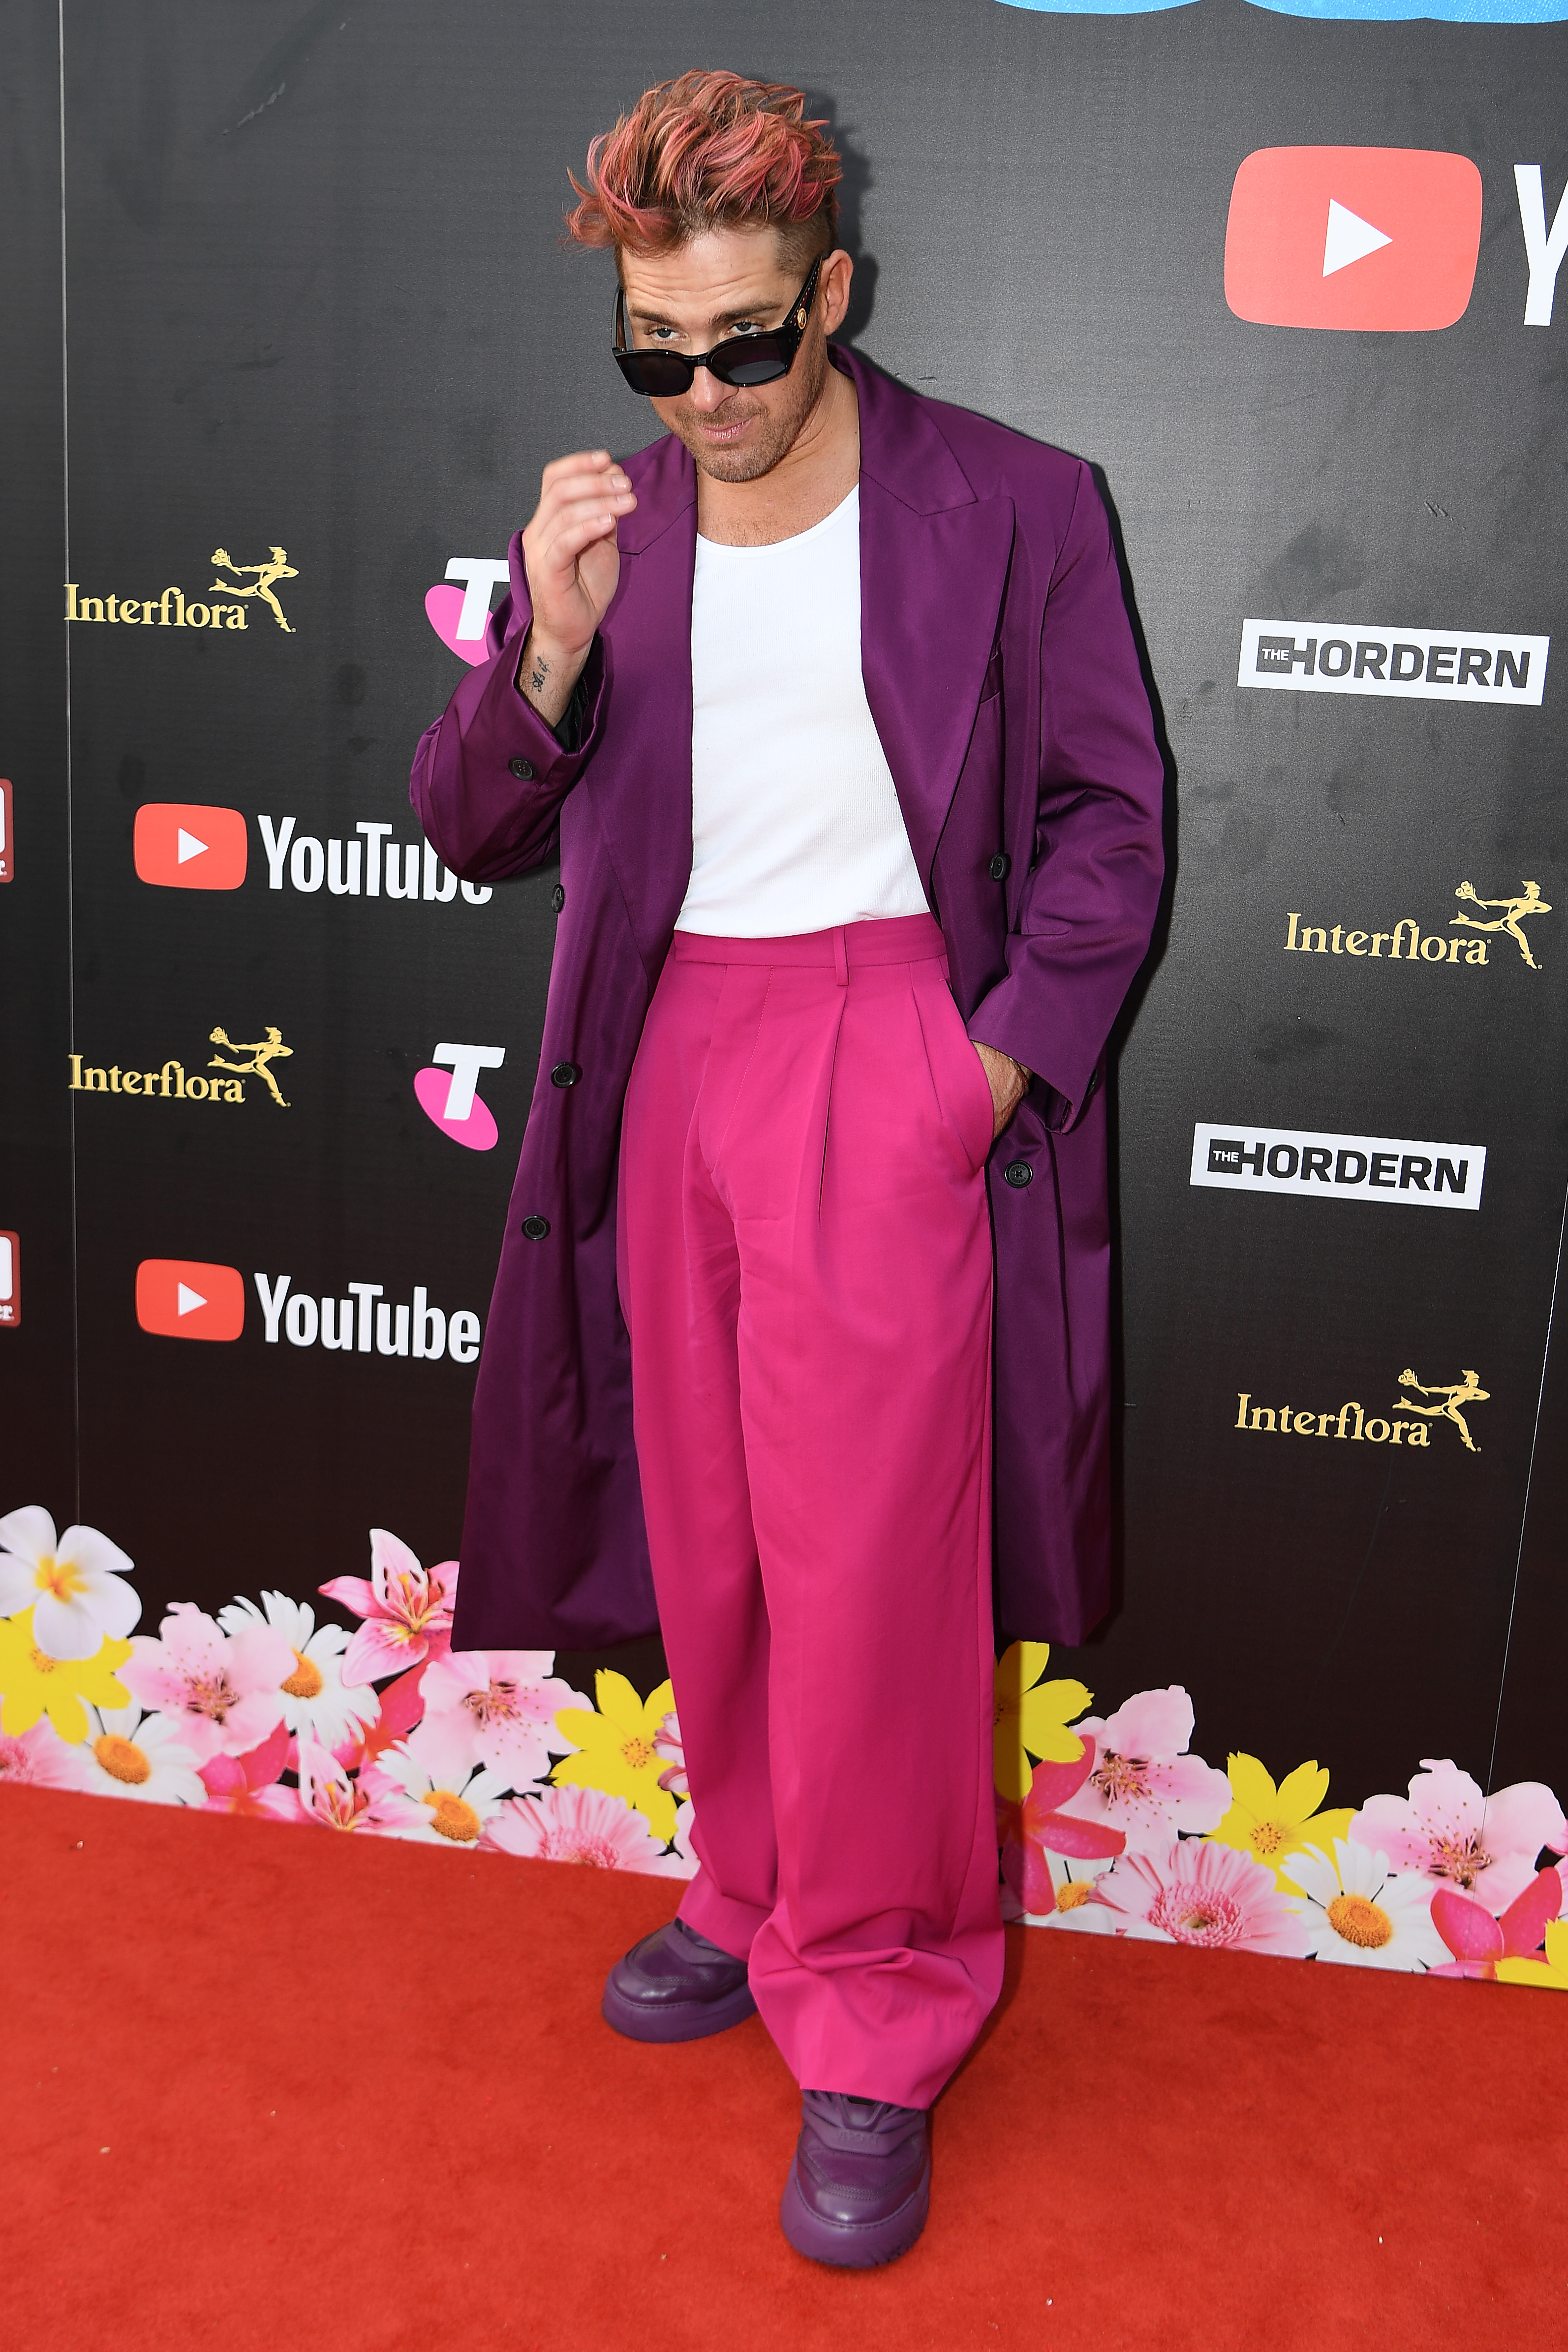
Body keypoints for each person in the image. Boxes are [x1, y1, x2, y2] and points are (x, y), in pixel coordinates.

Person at [411, 70, 1164, 2267]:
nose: (707, 391)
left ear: (830, 289)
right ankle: (749, 1890)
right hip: (665, 1065)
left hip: (888, 1056)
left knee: (872, 1570)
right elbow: (476, 823)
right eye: (659, 348)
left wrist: (987, 1071)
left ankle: (881, 2008)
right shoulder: (608, 532)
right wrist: (539, 643)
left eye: (746, 337)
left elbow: (1108, 821)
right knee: (716, 1535)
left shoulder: (1013, 502)